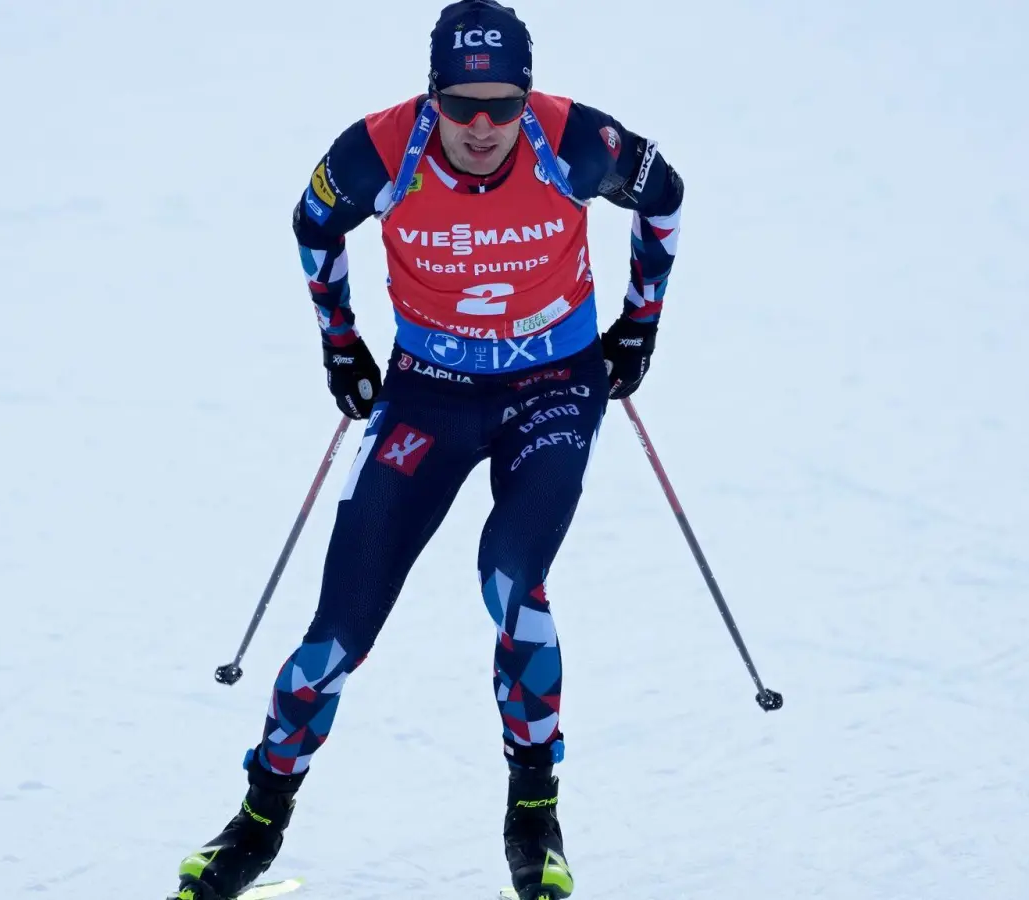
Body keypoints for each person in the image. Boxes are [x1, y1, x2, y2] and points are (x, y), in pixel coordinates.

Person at [171, 2, 682, 898]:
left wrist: (638, 327)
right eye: (460, 105)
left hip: (552, 390)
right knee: (335, 633)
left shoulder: (576, 141)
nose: (482, 127)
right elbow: (313, 224)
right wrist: (340, 340)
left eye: (503, 104)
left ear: (527, 95)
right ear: (431, 94)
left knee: (512, 583)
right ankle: (256, 824)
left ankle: (535, 816)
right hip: (426, 396)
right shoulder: (378, 151)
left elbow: (665, 194)